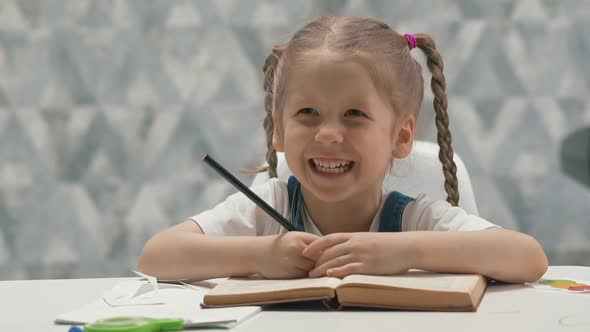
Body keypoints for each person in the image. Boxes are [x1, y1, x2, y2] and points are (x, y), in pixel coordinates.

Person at [138, 16, 548, 283]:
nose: (329, 134)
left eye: (354, 114)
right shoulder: (268, 207)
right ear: (279, 131)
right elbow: (156, 256)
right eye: (307, 113)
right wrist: (261, 255)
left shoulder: (413, 218)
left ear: (401, 136)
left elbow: (527, 257)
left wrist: (401, 251)